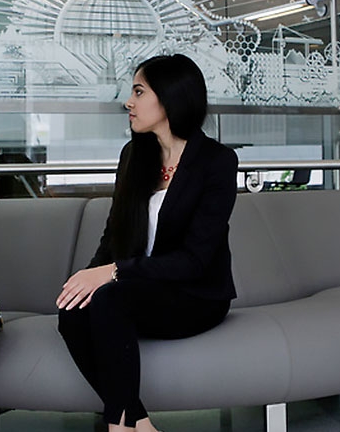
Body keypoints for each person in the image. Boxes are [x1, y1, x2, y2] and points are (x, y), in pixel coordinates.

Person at [56, 54, 239, 432]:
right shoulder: (134, 155)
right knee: (74, 309)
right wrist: (90, 276)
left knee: (109, 296)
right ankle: (138, 422)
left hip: (195, 294)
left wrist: (113, 273)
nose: (129, 102)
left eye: (139, 92)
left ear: (170, 98)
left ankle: (118, 425)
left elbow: (195, 261)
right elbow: (115, 234)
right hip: (141, 289)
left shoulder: (216, 162)